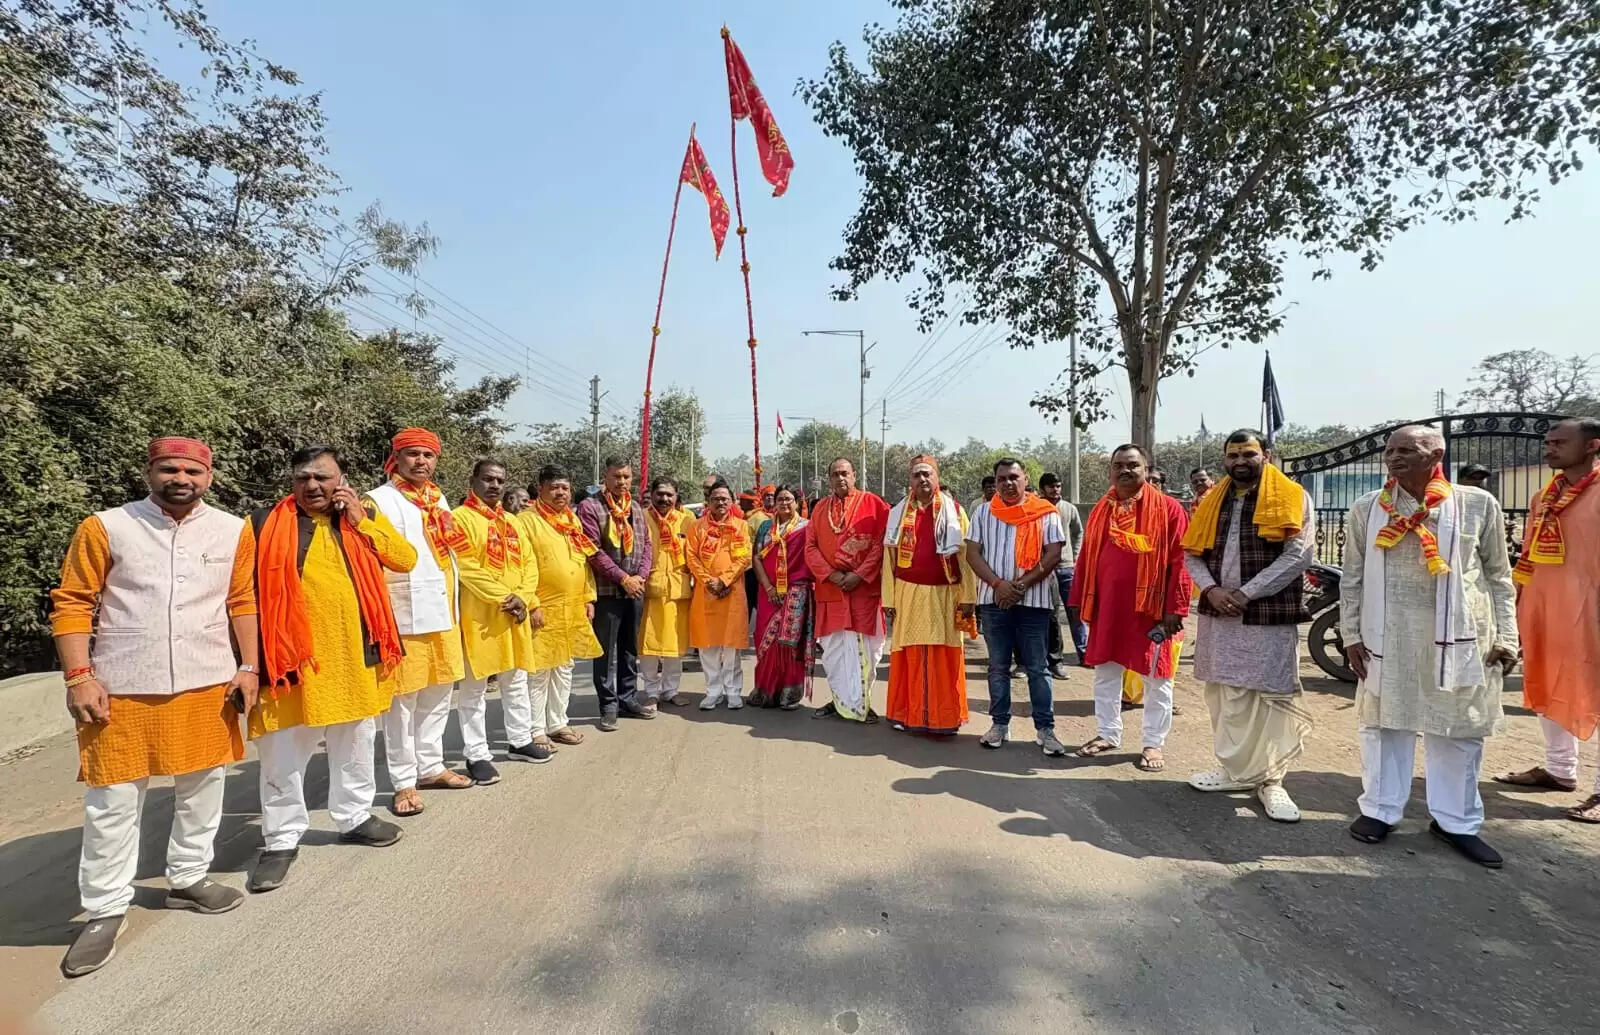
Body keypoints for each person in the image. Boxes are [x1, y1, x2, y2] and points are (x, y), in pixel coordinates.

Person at [50, 437, 257, 977]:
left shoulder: (234, 529)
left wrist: (249, 666)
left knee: (202, 786)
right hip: (121, 686)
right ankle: (105, 909)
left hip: (206, 682)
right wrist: (79, 676)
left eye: (193, 469)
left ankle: (189, 877)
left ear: (209, 477)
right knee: (113, 800)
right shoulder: (107, 525)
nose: (181, 478)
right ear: (149, 470)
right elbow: (72, 602)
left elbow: (242, 601)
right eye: (170, 468)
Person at [1341, 425, 1519, 868]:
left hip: (1461, 637)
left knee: (1456, 730)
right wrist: (1350, 635)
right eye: (1390, 450)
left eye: (1407, 450)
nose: (1394, 457)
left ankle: (1456, 822)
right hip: (1389, 634)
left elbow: (1498, 575)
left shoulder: (1476, 504)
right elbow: (1354, 577)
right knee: (1385, 727)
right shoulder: (1368, 509)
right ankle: (1380, 811)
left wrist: (1508, 636)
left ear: (1435, 453)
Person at [246, 446, 417, 894]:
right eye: (304, 478)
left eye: (323, 478)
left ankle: (354, 816)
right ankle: (281, 839)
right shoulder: (264, 524)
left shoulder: (356, 523)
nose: (313, 486)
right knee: (283, 753)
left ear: (341, 481)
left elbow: (405, 559)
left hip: (354, 656)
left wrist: (363, 520)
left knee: (357, 741)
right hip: (290, 664)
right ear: (292, 480)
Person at [1180, 430, 1315, 822]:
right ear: (1225, 459)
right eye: (1233, 454)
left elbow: (1299, 555)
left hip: (1266, 614)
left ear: (1266, 455)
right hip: (1219, 613)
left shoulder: (1291, 496)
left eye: (1248, 453)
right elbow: (1192, 554)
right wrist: (1212, 589)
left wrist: (1246, 594)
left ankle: (1271, 781)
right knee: (1224, 695)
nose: (1240, 461)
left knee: (1269, 697)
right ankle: (1232, 770)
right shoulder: (1211, 501)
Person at [1494, 418, 1600, 821]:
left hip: (1590, 609)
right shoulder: (1545, 497)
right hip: (1545, 608)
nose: (1550, 448)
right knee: (1548, 684)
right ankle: (1559, 770)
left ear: (1592, 446)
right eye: (1548, 442)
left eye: (1560, 442)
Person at [365, 428, 472, 818]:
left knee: (440, 693)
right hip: (403, 616)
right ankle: (403, 780)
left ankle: (430, 767)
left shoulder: (437, 498)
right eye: (413, 454)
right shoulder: (377, 501)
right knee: (401, 704)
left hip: (443, 611)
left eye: (428, 455)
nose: (421, 462)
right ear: (397, 457)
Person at [1069, 445, 1191, 772]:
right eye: (1118, 465)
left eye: (1132, 465)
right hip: (1108, 607)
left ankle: (1153, 744)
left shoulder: (1168, 509)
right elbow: (1087, 558)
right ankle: (1108, 733)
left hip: (1150, 610)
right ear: (1110, 470)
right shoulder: (1101, 509)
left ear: (1146, 469)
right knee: (1106, 674)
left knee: (1156, 677)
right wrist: (1084, 598)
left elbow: (1181, 561)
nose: (1125, 470)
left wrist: (1175, 608)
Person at [966, 459, 1067, 753]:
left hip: (1034, 603)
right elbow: (973, 554)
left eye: (1013, 477)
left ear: (1025, 479)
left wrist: (1020, 585)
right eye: (1002, 479)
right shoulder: (984, 513)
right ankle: (999, 725)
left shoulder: (1045, 513)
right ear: (995, 483)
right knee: (998, 667)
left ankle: (1045, 730)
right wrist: (1000, 585)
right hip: (994, 600)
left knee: (1038, 667)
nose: (1008, 483)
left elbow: (1053, 555)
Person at [453, 459, 544, 769]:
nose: (494, 485)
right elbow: (465, 566)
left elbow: (530, 564)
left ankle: (520, 740)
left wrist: (524, 596)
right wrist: (505, 596)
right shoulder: (459, 518)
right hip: (479, 616)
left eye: (499, 480)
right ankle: (476, 754)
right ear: (474, 480)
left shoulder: (513, 521)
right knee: (474, 689)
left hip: (514, 614)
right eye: (488, 479)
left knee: (516, 680)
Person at [883, 456, 976, 735]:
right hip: (907, 595)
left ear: (936, 478)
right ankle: (907, 714)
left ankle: (944, 718)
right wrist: (888, 599)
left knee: (943, 655)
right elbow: (888, 559)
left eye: (927, 474)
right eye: (916, 475)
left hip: (944, 596)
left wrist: (969, 596)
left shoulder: (954, 511)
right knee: (908, 654)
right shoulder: (897, 514)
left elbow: (966, 557)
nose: (922, 479)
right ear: (909, 481)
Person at [519, 466, 604, 748]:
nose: (561, 493)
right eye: (554, 487)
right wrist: (531, 604)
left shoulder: (571, 521)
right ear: (540, 488)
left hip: (572, 608)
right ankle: (536, 729)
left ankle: (557, 723)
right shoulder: (526, 521)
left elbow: (583, 563)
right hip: (543, 608)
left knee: (565, 667)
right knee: (540, 671)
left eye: (565, 488)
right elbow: (521, 568)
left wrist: (588, 597)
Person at [805, 458, 891, 723]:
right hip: (831, 591)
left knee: (868, 651)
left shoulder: (875, 505)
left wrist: (859, 575)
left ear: (854, 475)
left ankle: (860, 703)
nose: (840, 478)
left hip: (863, 592)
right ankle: (841, 701)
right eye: (835, 474)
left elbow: (881, 545)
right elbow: (810, 547)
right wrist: (832, 575)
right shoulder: (820, 508)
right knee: (833, 653)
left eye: (845, 473)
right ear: (829, 478)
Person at [576, 456, 655, 730]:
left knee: (630, 649)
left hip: (634, 591)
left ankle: (628, 698)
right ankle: (608, 704)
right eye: (616, 477)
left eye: (626, 477)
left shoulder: (634, 507)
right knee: (605, 651)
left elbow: (647, 548)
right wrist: (624, 579)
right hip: (608, 591)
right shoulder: (590, 507)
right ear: (605, 478)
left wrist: (640, 578)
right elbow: (594, 552)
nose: (622, 482)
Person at [688, 478, 752, 708]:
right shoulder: (697, 527)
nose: (720, 503)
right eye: (715, 499)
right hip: (706, 594)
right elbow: (691, 557)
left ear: (732, 501)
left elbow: (744, 557)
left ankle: (733, 691)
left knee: (731, 647)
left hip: (732, 593)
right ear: (708, 502)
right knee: (708, 647)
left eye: (724, 499)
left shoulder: (741, 526)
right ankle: (713, 691)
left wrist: (724, 581)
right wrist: (710, 582)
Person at [750, 486, 815, 709]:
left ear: (797, 502)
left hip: (796, 592)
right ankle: (765, 690)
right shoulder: (766, 526)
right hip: (768, 594)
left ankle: (789, 692)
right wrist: (768, 587)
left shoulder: (807, 528)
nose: (784, 503)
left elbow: (812, 557)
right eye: (780, 499)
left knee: (791, 645)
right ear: (774, 502)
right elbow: (756, 558)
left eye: (789, 499)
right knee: (764, 639)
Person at [641, 477, 694, 706]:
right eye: (660, 494)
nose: (664, 499)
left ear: (676, 496)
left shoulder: (687, 520)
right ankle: (651, 691)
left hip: (677, 591)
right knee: (648, 645)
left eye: (669, 495)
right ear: (651, 494)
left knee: (675, 645)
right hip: (649, 589)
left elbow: (694, 554)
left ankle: (671, 691)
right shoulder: (641, 518)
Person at [1039, 472, 1088, 673]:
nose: (1055, 490)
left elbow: (1078, 533)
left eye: (1058, 486)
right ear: (1042, 489)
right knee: (1050, 616)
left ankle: (1084, 654)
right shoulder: (1037, 509)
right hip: (1044, 570)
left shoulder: (1069, 508)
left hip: (1067, 567)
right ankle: (1053, 660)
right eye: (1051, 487)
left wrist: (1075, 557)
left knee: (1076, 611)